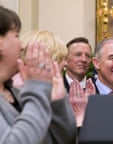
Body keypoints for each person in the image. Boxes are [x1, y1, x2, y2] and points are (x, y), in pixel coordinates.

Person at [0, 6, 76, 144]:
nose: (22, 46)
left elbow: (65, 140)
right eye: (16, 35)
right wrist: (37, 88)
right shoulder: (31, 90)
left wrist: (57, 103)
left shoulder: (15, 93)